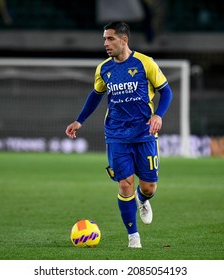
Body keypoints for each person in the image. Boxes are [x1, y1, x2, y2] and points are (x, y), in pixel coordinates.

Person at [65, 21, 173, 248]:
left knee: (148, 187)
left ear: (124, 40)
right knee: (125, 185)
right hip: (116, 134)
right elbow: (95, 95)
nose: (105, 43)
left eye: (110, 38)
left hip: (144, 133)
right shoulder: (103, 69)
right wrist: (79, 120)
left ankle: (142, 200)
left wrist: (159, 115)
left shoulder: (145, 63)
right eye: (104, 39)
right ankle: (133, 237)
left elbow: (167, 92)